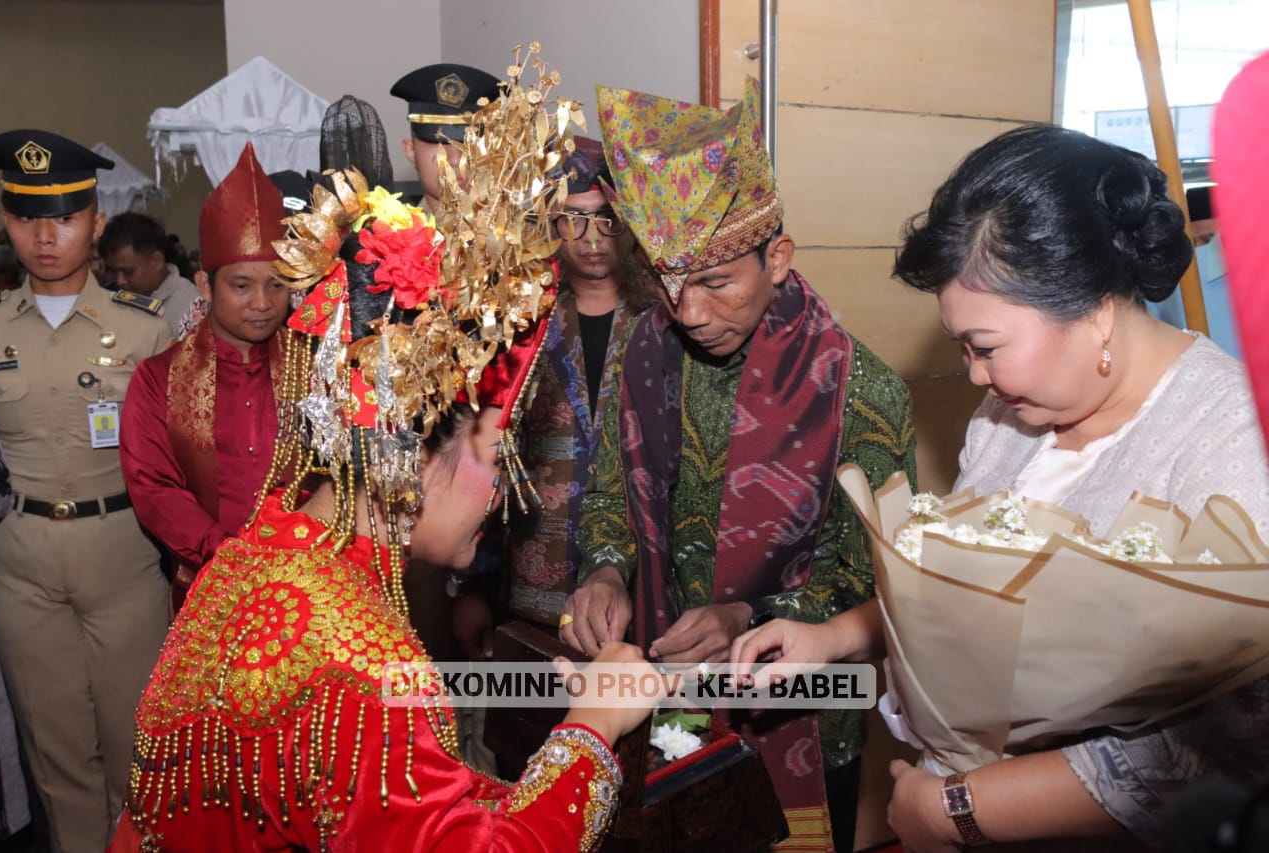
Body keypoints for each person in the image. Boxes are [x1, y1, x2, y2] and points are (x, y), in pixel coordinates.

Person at [110, 61, 656, 852]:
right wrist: (594, 728)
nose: (504, 491)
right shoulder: (358, 667)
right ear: (414, 450)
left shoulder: (260, 551)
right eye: (497, 452)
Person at [731, 124, 1269, 852]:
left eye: (985, 347)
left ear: (1093, 308)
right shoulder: (1008, 418)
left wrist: (957, 808)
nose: (975, 375)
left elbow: (1215, 749)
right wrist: (835, 636)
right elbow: (967, 598)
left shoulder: (1229, 439)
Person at [561, 80, 917, 851]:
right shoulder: (645, 350)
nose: (688, 311)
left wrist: (746, 617)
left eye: (717, 282)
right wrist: (606, 569)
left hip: (803, 717)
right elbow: (614, 492)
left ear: (778, 257)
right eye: (667, 281)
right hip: (668, 699)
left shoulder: (864, 389)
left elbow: (876, 582)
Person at [0, 129, 173, 853]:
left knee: (139, 750)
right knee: (57, 759)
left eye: (63, 216)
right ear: (6, 221)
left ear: (95, 223)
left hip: (123, 558)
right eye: (26, 215)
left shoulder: (145, 331)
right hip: (18, 562)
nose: (44, 233)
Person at [493, 136, 658, 633]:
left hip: (636, 574)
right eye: (573, 218)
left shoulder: (662, 321)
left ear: (631, 225)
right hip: (530, 574)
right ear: (552, 225)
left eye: (606, 218)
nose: (591, 236)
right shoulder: (522, 319)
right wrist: (473, 587)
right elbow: (487, 450)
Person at [120, 143, 291, 613]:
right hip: (209, 591)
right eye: (241, 285)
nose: (261, 302)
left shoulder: (315, 369)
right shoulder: (158, 379)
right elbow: (154, 488)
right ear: (204, 285)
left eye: (276, 283)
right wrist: (229, 556)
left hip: (309, 589)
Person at [389, 62, 500, 214]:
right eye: (439, 142)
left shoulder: (528, 234)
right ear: (411, 152)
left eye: (467, 143)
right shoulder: (390, 236)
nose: (455, 159)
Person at [98, 212, 198, 338]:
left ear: (156, 261)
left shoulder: (190, 307)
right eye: (113, 272)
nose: (120, 281)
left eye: (128, 272)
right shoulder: (118, 299)